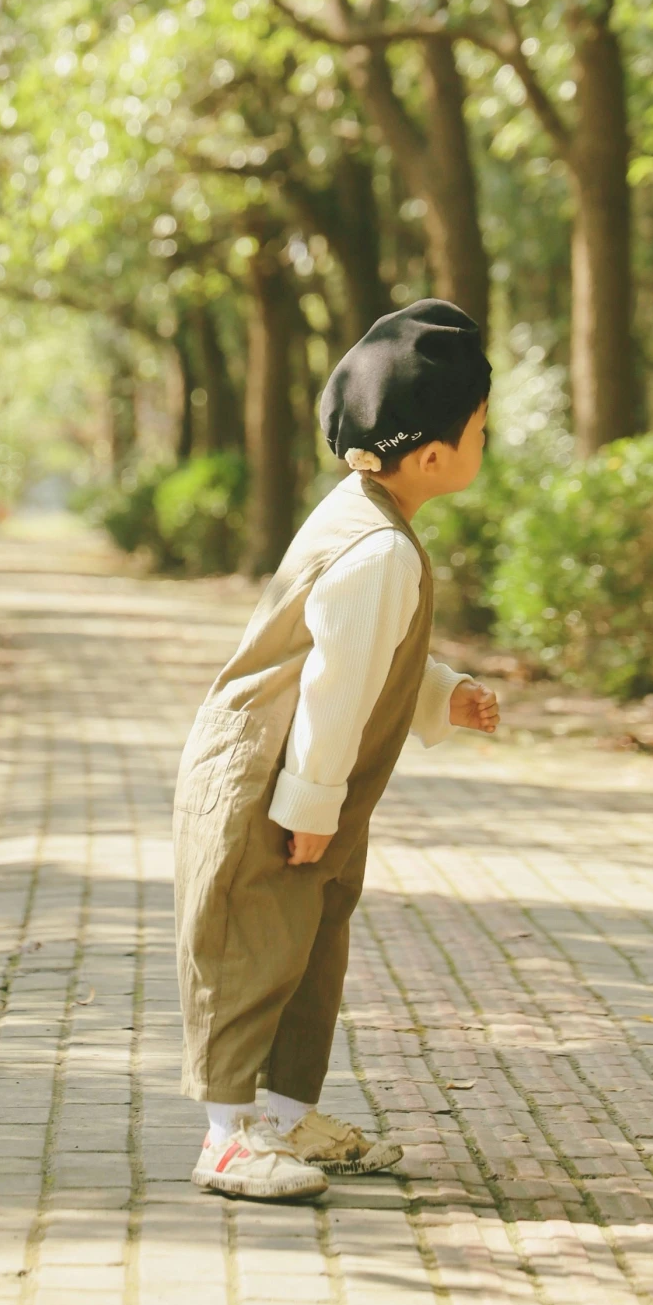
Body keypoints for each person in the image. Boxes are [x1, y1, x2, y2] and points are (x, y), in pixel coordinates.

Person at [172, 298, 501, 1201]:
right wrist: (308, 808)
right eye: (480, 427)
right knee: (254, 947)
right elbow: (333, 684)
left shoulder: (365, 516)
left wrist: (442, 694)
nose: (486, 439)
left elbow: (363, 648)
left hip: (306, 777)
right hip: (270, 774)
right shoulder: (379, 551)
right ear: (432, 454)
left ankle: (280, 1116)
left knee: (312, 945)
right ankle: (229, 1134)